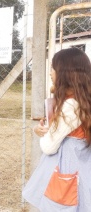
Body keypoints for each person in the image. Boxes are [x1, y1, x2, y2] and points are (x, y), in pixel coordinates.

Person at [22, 47, 91, 211]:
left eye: (53, 68)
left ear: (65, 73)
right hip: (81, 169)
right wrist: (48, 129)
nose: (51, 72)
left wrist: (45, 134)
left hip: (67, 172)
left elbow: (48, 146)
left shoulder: (70, 106)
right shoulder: (83, 101)